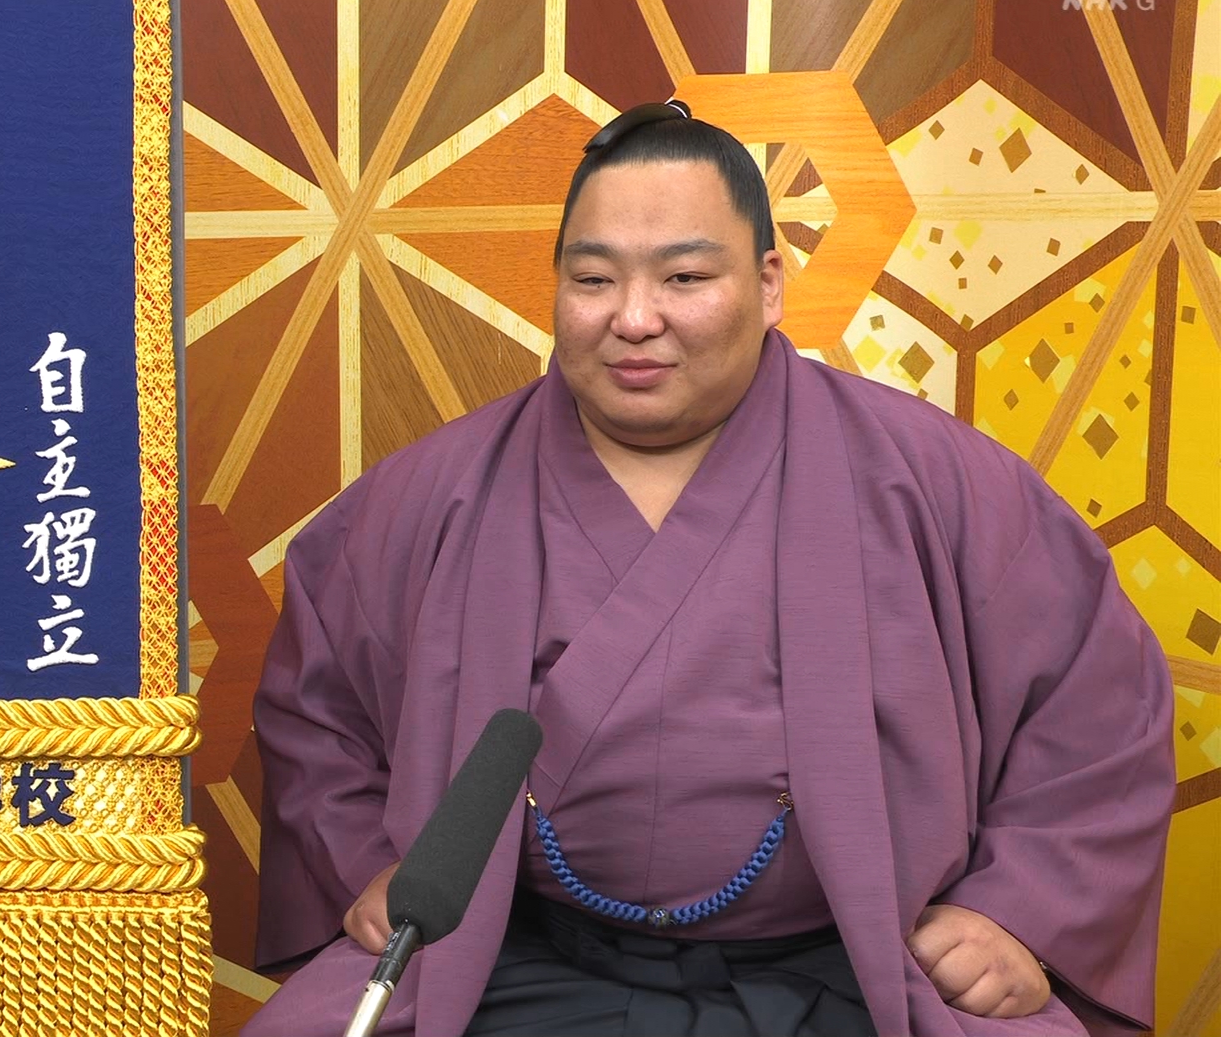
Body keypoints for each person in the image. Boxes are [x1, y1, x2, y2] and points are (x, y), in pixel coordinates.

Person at [244, 100, 1175, 1037]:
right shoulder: (434, 492)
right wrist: (366, 865)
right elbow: (316, 710)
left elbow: (1097, 707)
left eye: (684, 276)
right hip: (501, 959)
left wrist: (1016, 911)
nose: (633, 318)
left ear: (769, 284)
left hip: (861, 967)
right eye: (593, 279)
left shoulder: (933, 480)